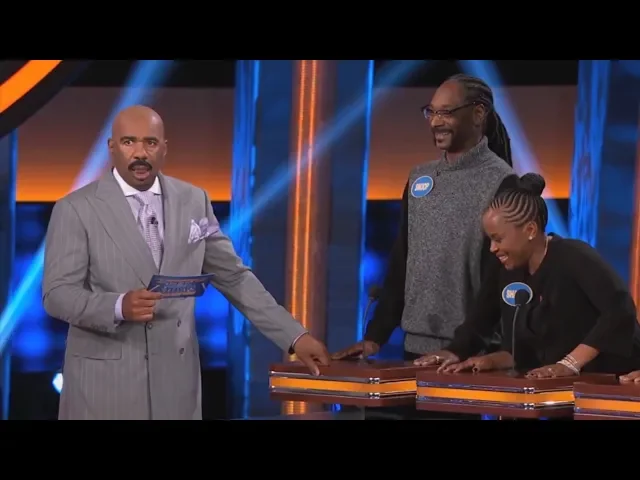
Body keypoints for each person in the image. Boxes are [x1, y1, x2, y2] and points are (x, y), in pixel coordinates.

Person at [42, 105, 330, 420]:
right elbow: (57, 294)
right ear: (112, 147)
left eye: (150, 142)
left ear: (164, 148)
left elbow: (234, 277)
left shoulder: (194, 200)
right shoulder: (76, 209)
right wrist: (118, 306)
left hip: (176, 385)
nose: (140, 153)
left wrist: (294, 336)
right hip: (105, 387)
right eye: (128, 142)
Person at [332, 74, 513, 362]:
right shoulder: (420, 177)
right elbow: (403, 258)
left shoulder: (502, 181)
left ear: (478, 114)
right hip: (415, 347)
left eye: (446, 112)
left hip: (470, 355)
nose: (435, 122)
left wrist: (459, 349)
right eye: (431, 112)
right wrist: (375, 336)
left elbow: (498, 279)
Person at [415, 173, 640, 378]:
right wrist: (475, 357)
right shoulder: (507, 270)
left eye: (498, 239)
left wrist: (570, 363)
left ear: (530, 230)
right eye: (490, 240)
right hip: (557, 389)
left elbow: (620, 311)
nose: (493, 248)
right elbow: (498, 332)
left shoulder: (574, 256)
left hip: (617, 381)